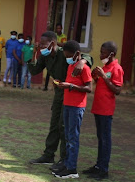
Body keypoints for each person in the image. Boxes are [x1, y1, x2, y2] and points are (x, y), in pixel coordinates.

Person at [27, 31, 92, 169]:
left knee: (64, 127)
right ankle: (48, 155)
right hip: (59, 93)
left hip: (71, 94)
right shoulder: (45, 57)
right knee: (54, 124)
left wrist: (82, 61)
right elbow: (34, 71)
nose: (41, 46)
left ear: (53, 43)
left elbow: (85, 55)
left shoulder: (64, 52)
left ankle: (64, 159)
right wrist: (34, 53)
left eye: (44, 44)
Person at [83, 41, 124, 181]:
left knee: (105, 139)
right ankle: (98, 165)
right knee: (100, 138)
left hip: (106, 109)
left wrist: (104, 77)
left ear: (111, 54)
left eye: (103, 53)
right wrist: (96, 76)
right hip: (98, 107)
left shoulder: (116, 68)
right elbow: (101, 84)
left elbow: (117, 90)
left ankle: (104, 169)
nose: (101, 55)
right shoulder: (105, 67)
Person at [52, 40, 92, 179]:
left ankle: (72, 169)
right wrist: (60, 84)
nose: (67, 58)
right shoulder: (71, 66)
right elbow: (70, 83)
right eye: (66, 56)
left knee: (73, 138)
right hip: (67, 104)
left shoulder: (84, 68)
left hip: (77, 107)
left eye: (69, 56)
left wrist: (70, 86)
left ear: (77, 54)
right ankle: (67, 164)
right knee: (68, 136)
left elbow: (89, 88)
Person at [44, 24, 68, 91]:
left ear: (61, 28)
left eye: (59, 28)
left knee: (58, 72)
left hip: (60, 55)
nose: (58, 29)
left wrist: (55, 43)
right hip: (53, 54)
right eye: (57, 28)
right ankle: (45, 86)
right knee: (49, 72)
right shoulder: (54, 35)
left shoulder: (63, 36)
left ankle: (58, 86)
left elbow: (63, 44)